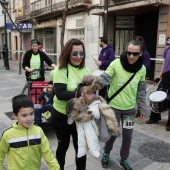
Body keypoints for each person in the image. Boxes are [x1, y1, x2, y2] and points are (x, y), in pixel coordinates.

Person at [97, 39, 147, 169]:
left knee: (127, 137)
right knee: (112, 134)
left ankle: (124, 159)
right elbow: (104, 79)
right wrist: (90, 85)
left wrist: (142, 108)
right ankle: (106, 154)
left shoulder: (142, 69)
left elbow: (141, 91)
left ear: (141, 53)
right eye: (129, 52)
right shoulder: (115, 64)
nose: (131, 56)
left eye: (135, 54)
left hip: (130, 110)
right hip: (114, 108)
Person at [51, 38, 91, 170]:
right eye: (75, 53)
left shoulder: (86, 69)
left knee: (80, 147)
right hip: (62, 115)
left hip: (79, 116)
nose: (78, 57)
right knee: (63, 145)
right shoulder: (61, 70)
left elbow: (89, 92)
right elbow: (60, 94)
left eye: (81, 53)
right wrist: (80, 93)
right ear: (68, 53)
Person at [0, 94, 60, 170]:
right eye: (24, 115)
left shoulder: (38, 131)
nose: (29, 118)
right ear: (15, 116)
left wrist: (56, 168)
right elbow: (0, 156)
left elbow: (48, 153)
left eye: (31, 114)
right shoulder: (8, 135)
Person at [146, 38, 170, 131]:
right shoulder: (167, 49)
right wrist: (159, 77)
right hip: (166, 77)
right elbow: (164, 64)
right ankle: (154, 117)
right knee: (157, 97)